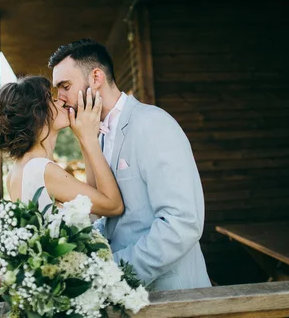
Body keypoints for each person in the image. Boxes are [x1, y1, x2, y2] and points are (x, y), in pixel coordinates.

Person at [49, 39, 212, 291]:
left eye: (65, 86)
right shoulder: (97, 136)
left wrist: (111, 273)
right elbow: (116, 218)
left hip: (172, 293)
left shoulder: (153, 124)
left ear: (96, 77)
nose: (59, 99)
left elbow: (182, 223)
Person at [0, 75, 124, 217]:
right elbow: (114, 206)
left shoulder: (17, 170)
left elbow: (94, 202)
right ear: (37, 114)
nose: (61, 100)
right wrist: (90, 141)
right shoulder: (39, 170)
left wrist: (84, 139)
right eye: (51, 98)